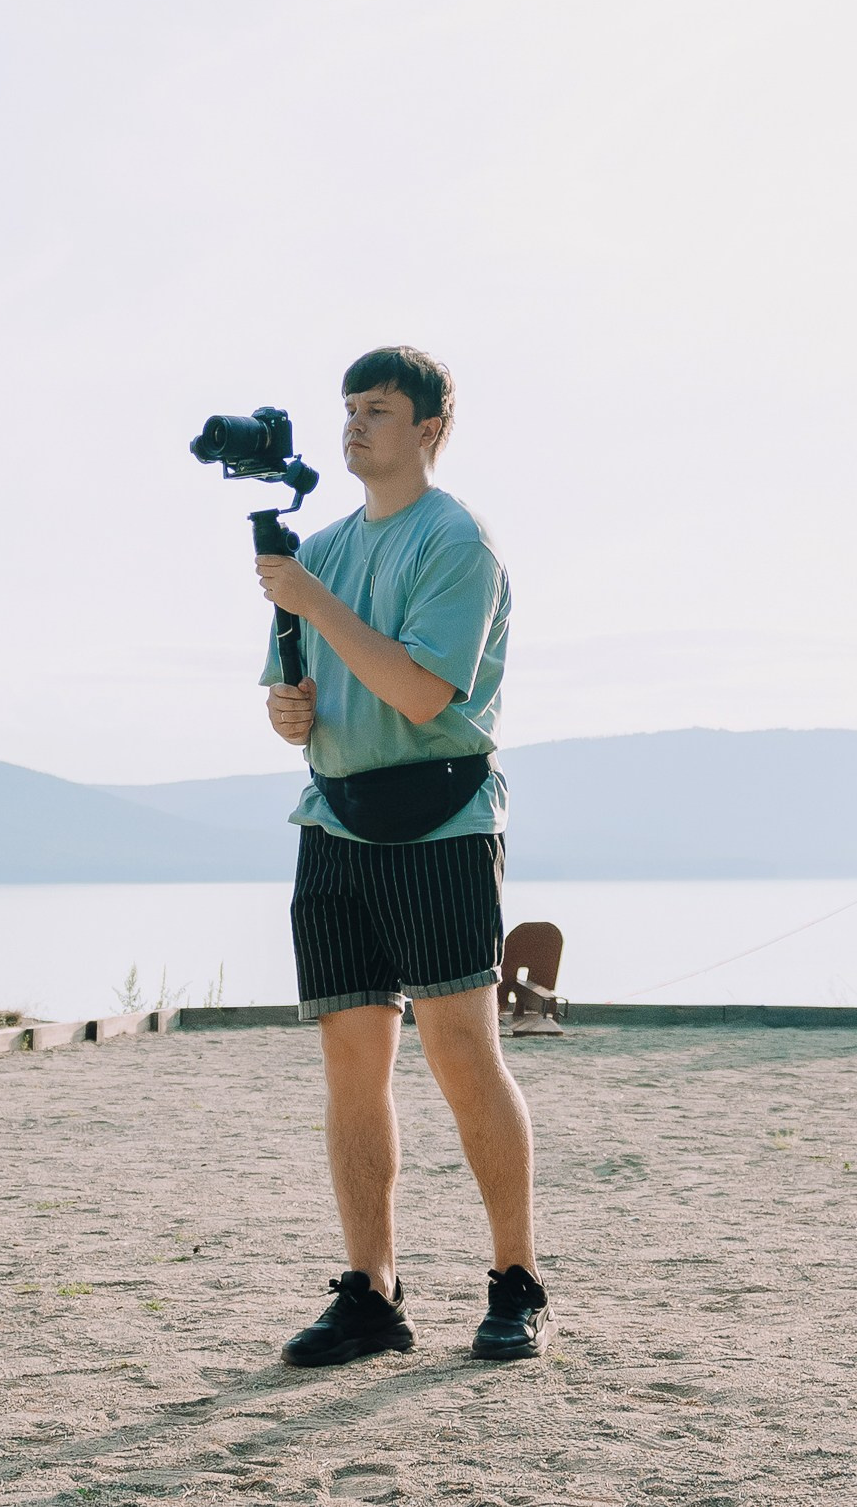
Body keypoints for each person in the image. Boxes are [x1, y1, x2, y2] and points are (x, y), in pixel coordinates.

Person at [253, 345, 548, 1365]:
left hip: (439, 821)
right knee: (351, 1068)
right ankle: (372, 1294)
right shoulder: (322, 549)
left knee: (463, 1058)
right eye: (348, 409)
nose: (353, 426)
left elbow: (425, 694)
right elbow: (297, 697)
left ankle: (516, 1284)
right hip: (332, 820)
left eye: (377, 410)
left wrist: (313, 602)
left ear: (430, 428)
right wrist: (290, 709)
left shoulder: (456, 542)